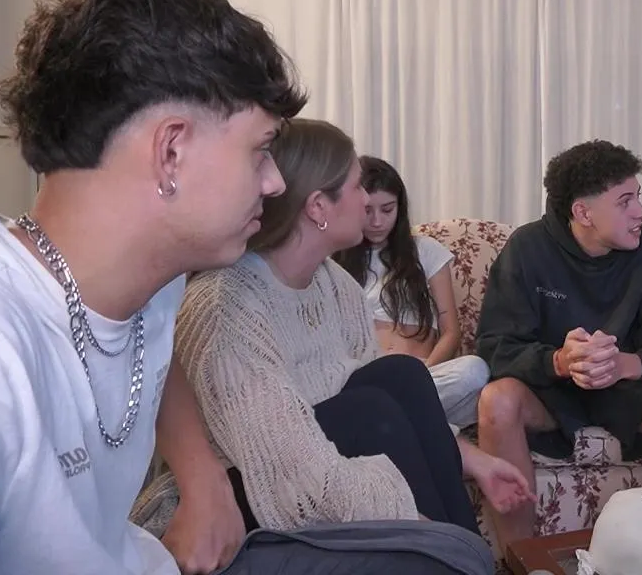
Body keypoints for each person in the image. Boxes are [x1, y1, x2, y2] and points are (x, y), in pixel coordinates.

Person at [0, 0, 301, 575]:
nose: (274, 182)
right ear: (171, 152)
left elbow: (148, 352)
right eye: (261, 150)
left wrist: (203, 474)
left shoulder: (145, 274)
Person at [137, 119, 530, 537]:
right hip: (248, 492)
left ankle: (463, 554)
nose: (367, 201)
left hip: (321, 463)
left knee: (402, 375)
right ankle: (452, 551)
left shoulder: (336, 284)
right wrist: (423, 529)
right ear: (318, 208)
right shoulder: (226, 307)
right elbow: (293, 470)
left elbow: (397, 408)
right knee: (368, 412)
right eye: (358, 186)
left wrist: (476, 462)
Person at [475, 140, 642, 546]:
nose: (641, 211)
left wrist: (626, 364)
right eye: (625, 202)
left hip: (627, 394)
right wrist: (559, 361)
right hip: (549, 395)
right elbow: (494, 347)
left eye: (637, 196)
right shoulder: (527, 249)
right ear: (583, 212)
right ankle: (522, 558)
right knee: (496, 400)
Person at [334, 155, 488, 428]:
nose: (377, 221)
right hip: (367, 377)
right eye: (367, 210)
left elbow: (451, 332)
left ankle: (398, 417)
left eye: (387, 209)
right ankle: (416, 421)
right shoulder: (336, 258)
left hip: (425, 374)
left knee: (475, 370)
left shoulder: (426, 251)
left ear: (400, 207)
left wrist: (421, 376)